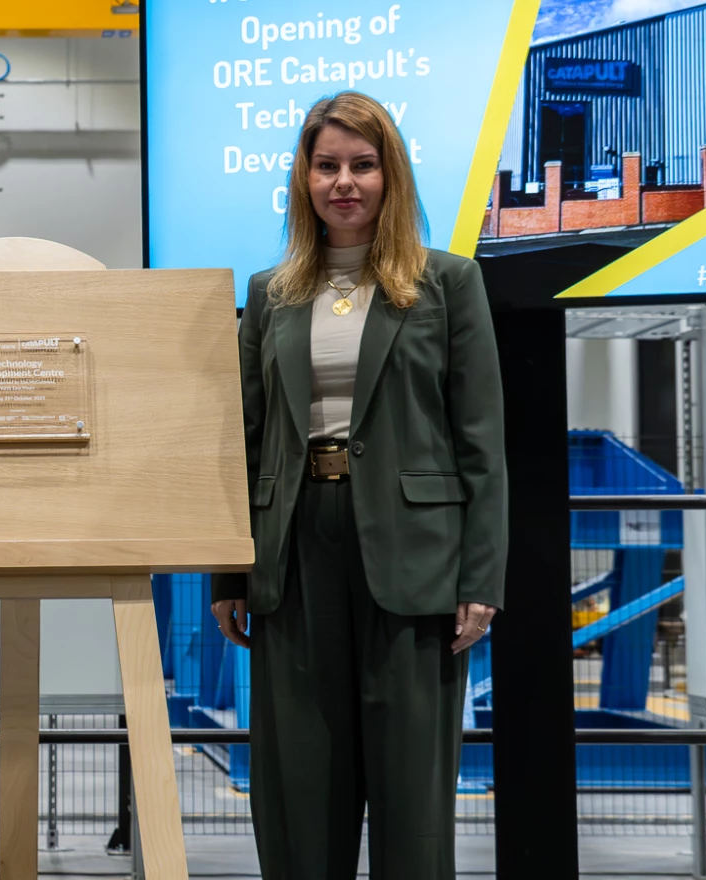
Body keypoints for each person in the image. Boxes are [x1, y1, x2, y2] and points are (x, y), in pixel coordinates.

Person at [209, 91, 507, 880]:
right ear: (304, 180)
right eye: (327, 165)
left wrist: (481, 577)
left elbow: (482, 444)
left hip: (417, 562)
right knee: (297, 795)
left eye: (363, 165)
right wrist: (229, 571)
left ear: (391, 176)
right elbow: (243, 441)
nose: (345, 181)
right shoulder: (270, 293)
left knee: (413, 805)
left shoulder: (449, 284)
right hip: (294, 551)